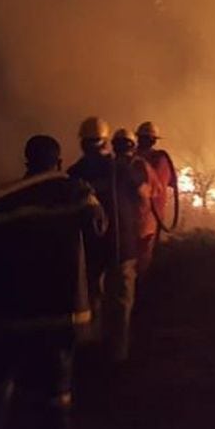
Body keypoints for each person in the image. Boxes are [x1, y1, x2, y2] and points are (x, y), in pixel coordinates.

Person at [0, 134, 105, 429]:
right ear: (59, 161)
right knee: (57, 378)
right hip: (63, 306)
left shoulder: (8, 199)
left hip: (18, 305)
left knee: (6, 370)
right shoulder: (76, 191)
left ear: (28, 161)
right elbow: (99, 227)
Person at [104, 128, 162, 362]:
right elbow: (153, 192)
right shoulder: (137, 167)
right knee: (126, 290)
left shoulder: (114, 167)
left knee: (116, 291)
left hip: (126, 234)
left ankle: (111, 343)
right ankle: (119, 349)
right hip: (136, 234)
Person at [67, 117, 117, 345]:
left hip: (85, 241)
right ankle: (106, 342)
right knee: (112, 292)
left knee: (90, 287)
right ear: (105, 140)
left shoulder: (74, 172)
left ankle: (91, 338)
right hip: (114, 239)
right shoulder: (117, 167)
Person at [134, 121, 177, 274]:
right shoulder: (161, 159)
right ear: (154, 140)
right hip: (153, 218)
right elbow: (170, 182)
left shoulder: (131, 159)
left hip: (133, 217)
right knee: (145, 259)